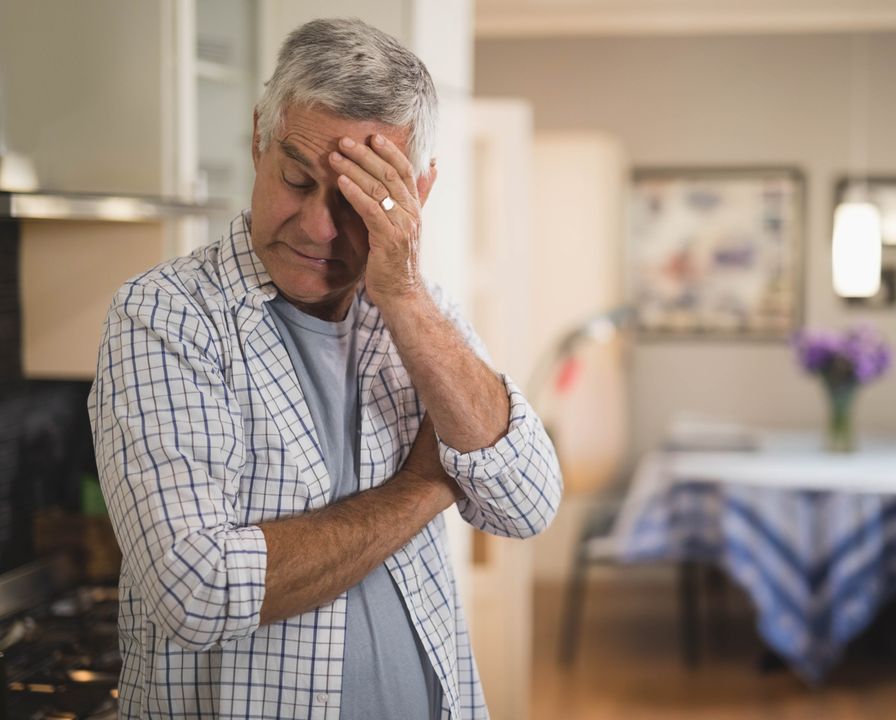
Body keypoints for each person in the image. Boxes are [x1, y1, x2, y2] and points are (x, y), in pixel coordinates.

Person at [89, 17, 561, 720]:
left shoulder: (420, 313)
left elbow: (526, 503)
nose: (316, 227)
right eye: (297, 179)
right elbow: (198, 590)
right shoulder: (164, 316)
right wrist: (426, 484)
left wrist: (401, 293)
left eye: (354, 202)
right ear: (259, 139)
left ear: (417, 193)